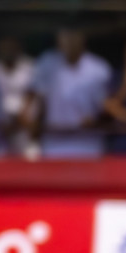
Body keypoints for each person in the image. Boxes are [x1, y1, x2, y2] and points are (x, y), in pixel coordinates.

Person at [29, 29, 111, 159]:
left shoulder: (99, 68)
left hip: (88, 144)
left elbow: (106, 108)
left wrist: (96, 119)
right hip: (54, 143)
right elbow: (39, 101)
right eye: (65, 37)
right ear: (58, 41)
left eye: (73, 37)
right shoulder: (47, 62)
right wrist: (34, 130)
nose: (69, 42)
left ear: (82, 40)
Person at [0, 35, 37, 159]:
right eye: (4, 47)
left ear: (19, 48)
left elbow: (35, 95)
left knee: (32, 156)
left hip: (25, 127)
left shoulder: (31, 67)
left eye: (11, 47)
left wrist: (23, 117)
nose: (8, 51)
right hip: (0, 129)